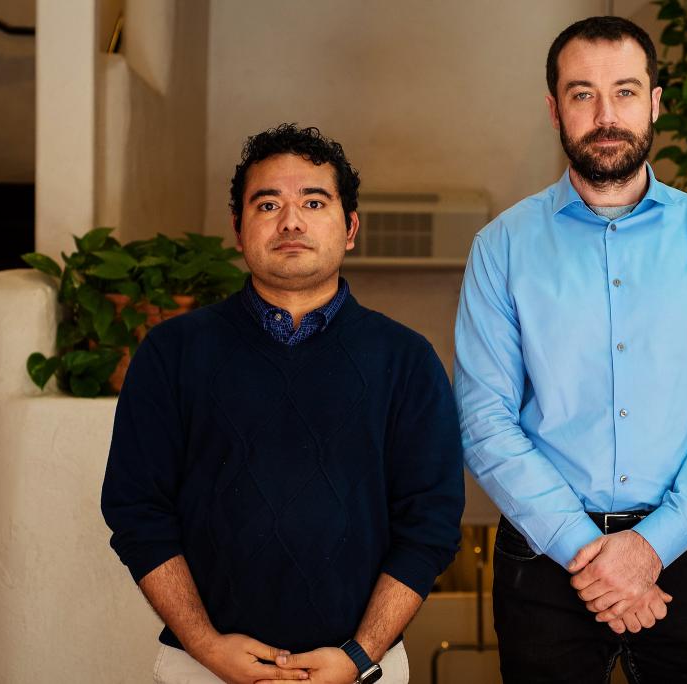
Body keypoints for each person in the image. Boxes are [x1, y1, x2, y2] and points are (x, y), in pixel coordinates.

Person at [455, 16, 687, 684]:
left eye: (626, 91)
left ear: (655, 102)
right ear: (554, 110)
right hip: (545, 563)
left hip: (685, 553)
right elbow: (483, 420)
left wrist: (648, 549)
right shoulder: (501, 249)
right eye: (582, 94)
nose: (607, 115)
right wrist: (589, 551)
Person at [102, 123, 465, 684]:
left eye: (313, 202)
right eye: (267, 203)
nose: (290, 220)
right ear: (238, 229)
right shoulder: (172, 352)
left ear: (350, 229)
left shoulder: (407, 360)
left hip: (363, 670)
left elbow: (432, 525)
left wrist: (359, 654)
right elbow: (136, 511)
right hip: (201, 668)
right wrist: (206, 646)